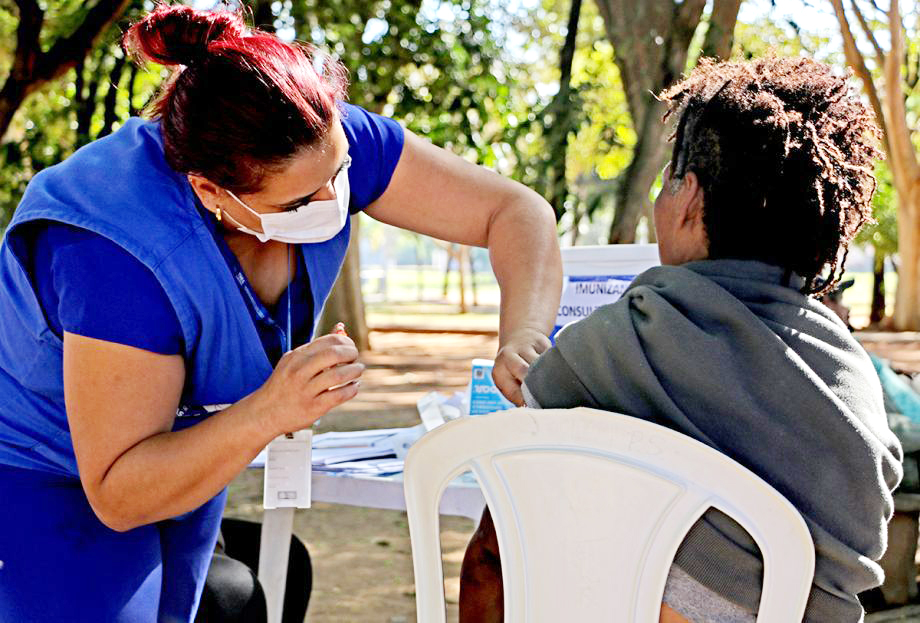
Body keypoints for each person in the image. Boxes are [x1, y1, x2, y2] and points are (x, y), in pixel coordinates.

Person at [0, 5, 561, 622]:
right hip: (43, 467)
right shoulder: (118, 252)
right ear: (211, 191)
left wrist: (525, 336)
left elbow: (516, 213)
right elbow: (119, 491)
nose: (333, 203)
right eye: (300, 201)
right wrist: (272, 408)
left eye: (340, 174)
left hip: (180, 449)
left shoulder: (315, 141)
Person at [459, 56, 903, 623]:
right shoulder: (853, 378)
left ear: (690, 199)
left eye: (667, 181)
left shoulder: (626, 338)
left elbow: (493, 558)